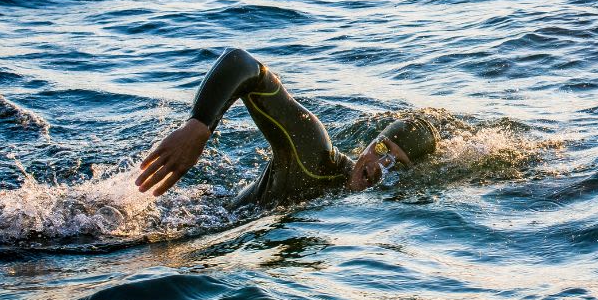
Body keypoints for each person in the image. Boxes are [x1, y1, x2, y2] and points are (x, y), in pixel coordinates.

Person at [135, 48, 438, 208]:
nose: (378, 166)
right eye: (382, 150)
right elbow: (243, 63)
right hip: (172, 219)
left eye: (395, 164)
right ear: (369, 145)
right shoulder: (315, 155)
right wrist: (199, 126)